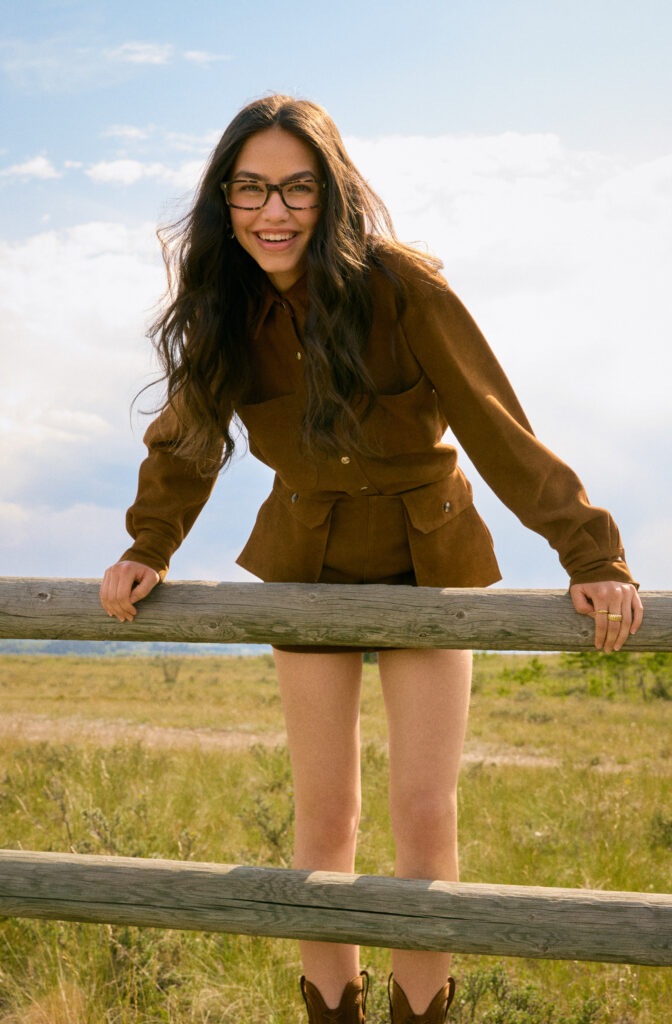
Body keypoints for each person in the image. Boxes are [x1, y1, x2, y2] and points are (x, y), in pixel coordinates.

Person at [100, 95, 643, 1024]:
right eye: (252, 189)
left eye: (297, 188)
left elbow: (494, 425)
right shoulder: (224, 308)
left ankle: (422, 1014)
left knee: (424, 811)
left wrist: (591, 553)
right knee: (324, 819)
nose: (274, 212)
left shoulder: (403, 287)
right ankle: (330, 1012)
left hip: (426, 560)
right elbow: (187, 440)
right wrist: (147, 548)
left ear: (332, 193)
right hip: (305, 562)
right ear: (224, 203)